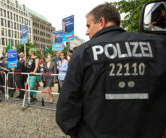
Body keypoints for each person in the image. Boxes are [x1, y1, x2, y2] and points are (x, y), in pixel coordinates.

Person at [56, 3, 166, 138]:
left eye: (88, 26)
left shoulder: (83, 52)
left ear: (101, 22)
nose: (86, 32)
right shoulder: (158, 47)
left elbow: (66, 108)